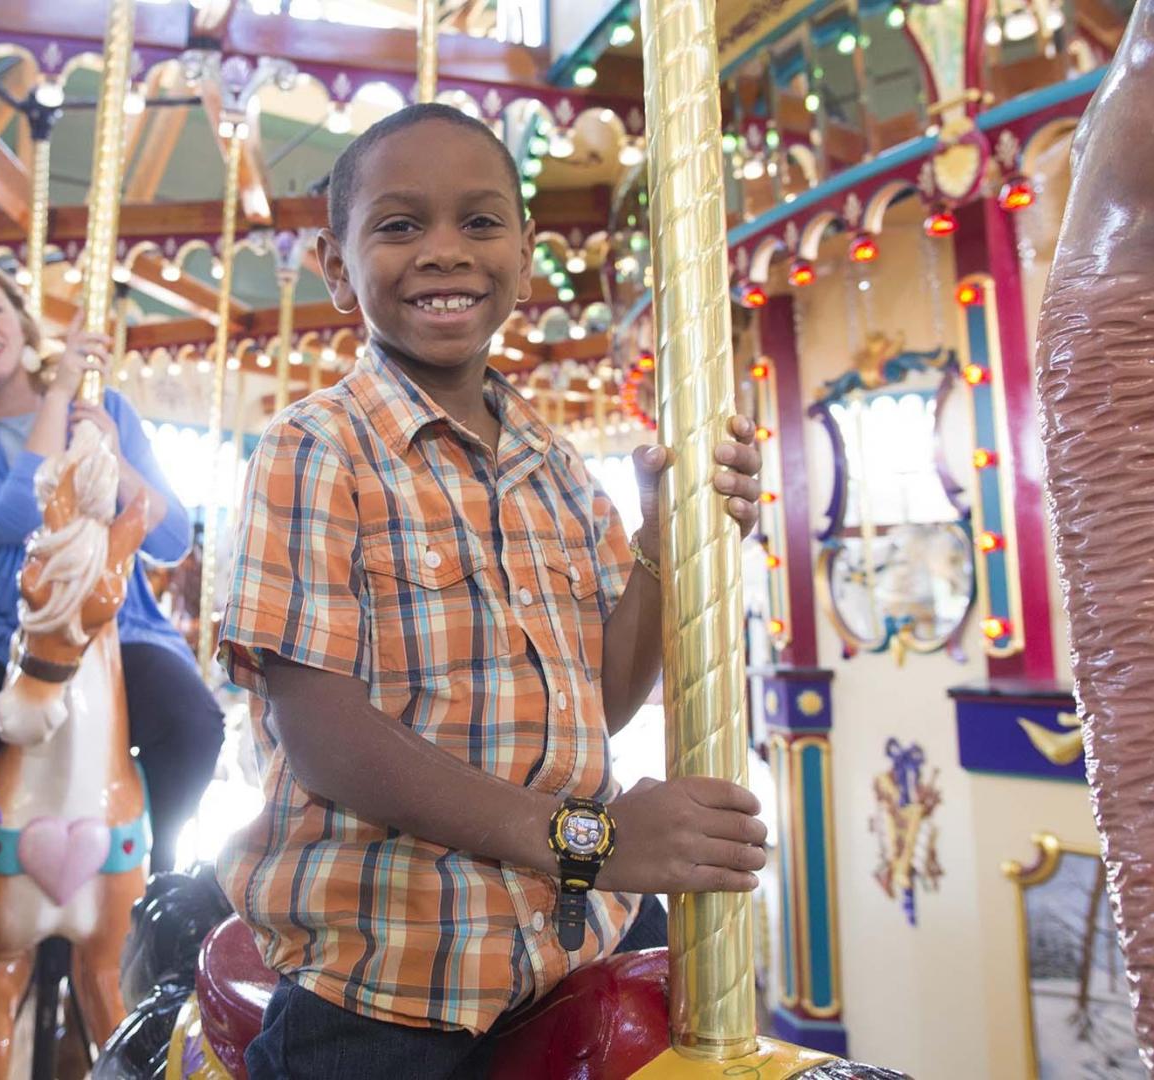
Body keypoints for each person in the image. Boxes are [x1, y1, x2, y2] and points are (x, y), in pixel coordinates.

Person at [216, 104, 769, 1079]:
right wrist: (591, 840)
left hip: (575, 941)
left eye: (478, 222)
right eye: (399, 225)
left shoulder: (557, 467)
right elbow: (327, 741)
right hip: (392, 986)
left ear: (522, 248)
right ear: (338, 269)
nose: (444, 251)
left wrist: (663, 539)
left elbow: (601, 695)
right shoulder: (316, 450)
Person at [0, 261, 224, 954]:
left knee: (193, 725)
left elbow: (165, 536)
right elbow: (12, 515)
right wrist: (59, 399)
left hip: (113, 620)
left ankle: (158, 891)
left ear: (20, 320)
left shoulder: (111, 410)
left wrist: (110, 448)